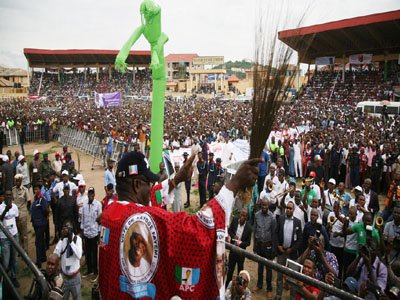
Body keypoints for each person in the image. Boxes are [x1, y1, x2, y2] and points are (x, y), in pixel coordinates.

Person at [98, 150, 261, 299]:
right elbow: (195, 229)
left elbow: (149, 200)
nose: (151, 188)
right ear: (136, 185)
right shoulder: (143, 220)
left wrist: (177, 179)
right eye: (149, 183)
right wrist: (234, 184)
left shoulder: (109, 213)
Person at [275, 201, 303, 299]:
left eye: (290, 208)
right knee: (279, 276)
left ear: (293, 210)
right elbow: (275, 233)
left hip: (292, 254)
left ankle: (292, 297)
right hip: (281, 252)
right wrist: (278, 246)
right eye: (287, 207)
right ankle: (278, 295)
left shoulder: (298, 222)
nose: (288, 209)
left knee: (292, 278)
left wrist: (292, 249)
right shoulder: (281, 219)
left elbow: (300, 239)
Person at [253, 199, 276, 299]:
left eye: (266, 205)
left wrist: (273, 249)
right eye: (262, 205)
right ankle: (259, 285)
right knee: (260, 266)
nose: (264, 207)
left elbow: (274, 234)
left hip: (268, 246)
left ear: (268, 205)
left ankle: (269, 288)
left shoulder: (272, 217)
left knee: (268, 268)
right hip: (259, 245)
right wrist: (254, 245)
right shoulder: (257, 215)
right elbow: (254, 231)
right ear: (260, 205)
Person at [54, 220, 83, 300]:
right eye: (63, 229)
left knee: (77, 298)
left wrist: (71, 242)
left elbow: (79, 255)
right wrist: (62, 238)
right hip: (64, 278)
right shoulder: (62, 240)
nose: (65, 231)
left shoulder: (78, 240)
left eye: (67, 229)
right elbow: (56, 254)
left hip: (75, 278)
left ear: (71, 229)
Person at [226, 209, 252, 289]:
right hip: (233, 250)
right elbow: (229, 230)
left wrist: (240, 243)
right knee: (230, 270)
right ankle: (227, 286)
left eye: (244, 216)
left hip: (241, 253)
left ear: (246, 217)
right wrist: (233, 236)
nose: (242, 217)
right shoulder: (234, 221)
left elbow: (248, 242)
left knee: (240, 271)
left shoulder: (249, 228)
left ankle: (238, 288)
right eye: (241, 215)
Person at [81, 187, 102, 281]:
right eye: (89, 194)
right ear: (88, 195)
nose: (90, 195)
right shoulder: (84, 205)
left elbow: (100, 220)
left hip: (94, 233)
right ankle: (89, 270)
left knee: (94, 253)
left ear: (94, 194)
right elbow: (83, 219)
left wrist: (99, 233)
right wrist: (82, 231)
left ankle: (95, 272)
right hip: (86, 233)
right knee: (87, 253)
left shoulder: (97, 205)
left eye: (92, 193)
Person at [0, 190, 20, 287]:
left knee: (14, 259)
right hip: (5, 237)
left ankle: (13, 277)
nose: (8, 197)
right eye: (6, 195)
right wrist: (5, 210)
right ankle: (5, 280)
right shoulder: (0, 207)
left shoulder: (15, 207)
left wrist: (19, 234)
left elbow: (17, 220)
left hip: (14, 235)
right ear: (4, 196)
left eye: (10, 195)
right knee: (6, 260)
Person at [31, 183, 49, 268]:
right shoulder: (35, 199)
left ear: (40, 189)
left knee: (38, 242)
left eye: (37, 189)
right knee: (41, 240)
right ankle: (43, 257)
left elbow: (46, 210)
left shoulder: (42, 199)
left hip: (41, 224)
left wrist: (43, 219)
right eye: (34, 189)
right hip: (36, 224)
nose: (35, 191)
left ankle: (39, 262)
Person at [12, 173, 30, 251]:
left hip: (23, 213)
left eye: (19, 181)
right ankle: (20, 249)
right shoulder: (13, 190)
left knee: (24, 233)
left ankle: (25, 249)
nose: (17, 183)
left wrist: (26, 211)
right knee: (18, 233)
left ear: (21, 181)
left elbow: (29, 201)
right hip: (15, 214)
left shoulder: (25, 190)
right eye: (16, 181)